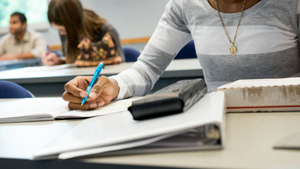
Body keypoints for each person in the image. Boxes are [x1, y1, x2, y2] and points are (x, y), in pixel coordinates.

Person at [63, 0, 300, 110]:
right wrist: (114, 86)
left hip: (287, 122)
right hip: (218, 124)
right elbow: (147, 68)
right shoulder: (185, 5)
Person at [42, 0, 124, 66]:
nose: (62, 33)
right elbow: (75, 62)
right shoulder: (65, 31)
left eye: (63, 29)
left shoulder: (105, 30)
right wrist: (59, 61)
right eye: (59, 30)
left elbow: (120, 64)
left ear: (73, 23)